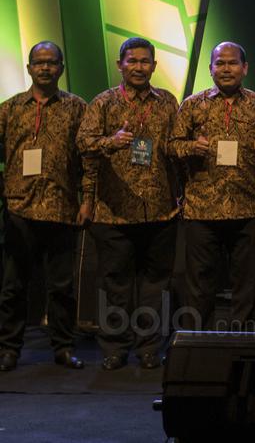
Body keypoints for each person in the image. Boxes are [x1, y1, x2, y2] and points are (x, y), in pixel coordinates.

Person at [77, 37, 180, 370]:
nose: (138, 67)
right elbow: (84, 144)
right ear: (120, 64)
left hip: (160, 210)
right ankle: (114, 348)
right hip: (114, 212)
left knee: (155, 284)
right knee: (115, 284)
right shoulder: (103, 102)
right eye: (132, 61)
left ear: (154, 65)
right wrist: (112, 141)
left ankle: (149, 347)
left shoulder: (167, 102)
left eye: (144, 61)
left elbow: (175, 149)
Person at [169, 42, 255, 332]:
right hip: (202, 208)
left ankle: (242, 343)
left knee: (246, 285)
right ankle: (197, 343)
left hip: (247, 208)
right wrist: (191, 147)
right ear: (211, 68)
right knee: (199, 284)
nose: (226, 69)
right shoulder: (192, 104)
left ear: (245, 68)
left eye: (232, 63)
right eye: (220, 63)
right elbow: (172, 146)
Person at [0, 42, 88, 371]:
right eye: (39, 63)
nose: (45, 68)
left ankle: (63, 348)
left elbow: (88, 160)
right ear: (29, 68)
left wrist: (87, 199)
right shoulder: (9, 109)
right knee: (13, 287)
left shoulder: (77, 108)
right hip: (19, 208)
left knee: (62, 288)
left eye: (51, 62)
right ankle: (9, 349)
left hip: (62, 209)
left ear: (62, 67)